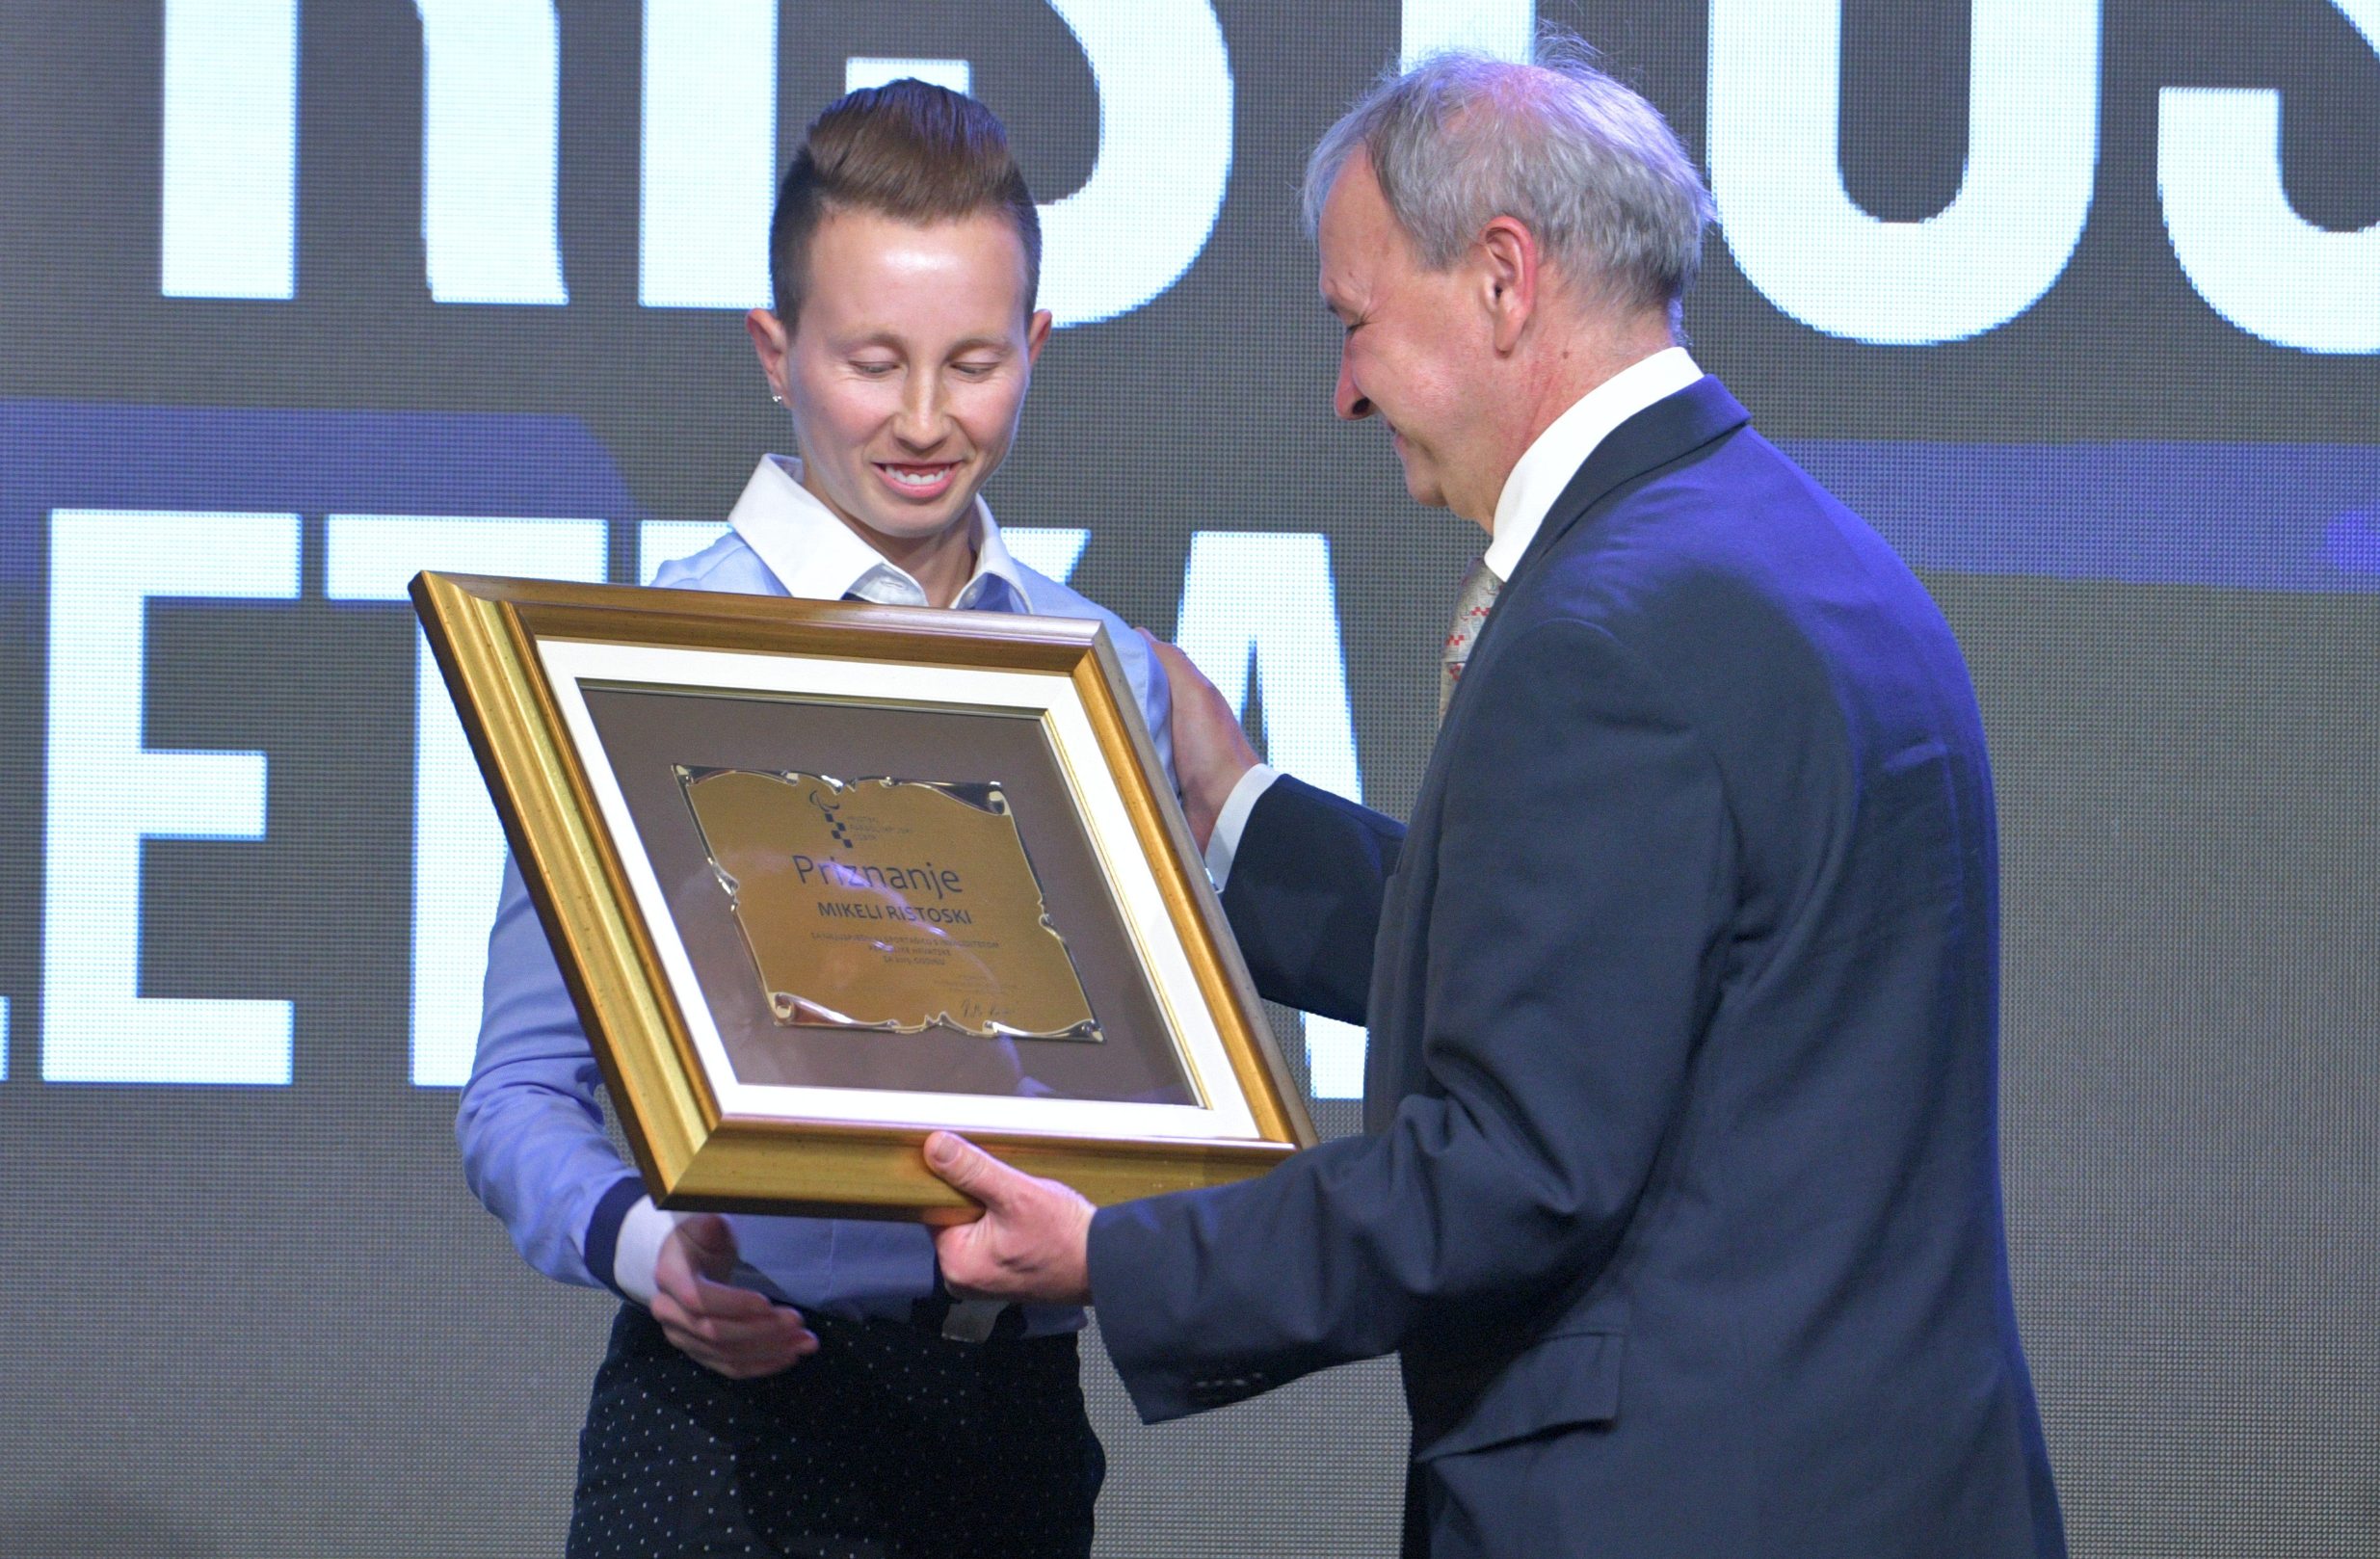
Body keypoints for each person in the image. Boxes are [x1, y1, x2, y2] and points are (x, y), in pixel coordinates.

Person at [922, 45, 2067, 1558]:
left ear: (1503, 280)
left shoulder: (1608, 631)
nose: (1342, 393)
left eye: (1353, 323)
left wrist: (1118, 1257)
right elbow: (1615, 977)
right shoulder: (1796, 554)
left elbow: (1517, 1166)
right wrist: (1234, 809)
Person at [458, 80, 1169, 1559]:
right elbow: (515, 1094)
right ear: (776, 353)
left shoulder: (1101, 675)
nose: (923, 418)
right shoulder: (639, 668)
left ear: (1034, 349)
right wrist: (653, 1253)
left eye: (973, 362)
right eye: (871, 361)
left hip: (1015, 1429)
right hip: (725, 1431)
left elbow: (1147, 1084)